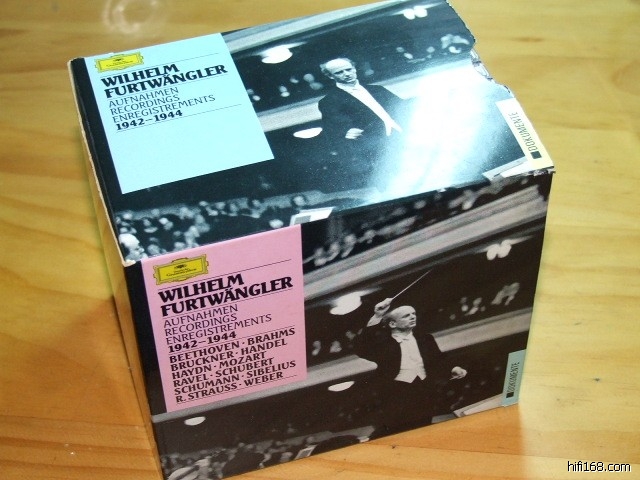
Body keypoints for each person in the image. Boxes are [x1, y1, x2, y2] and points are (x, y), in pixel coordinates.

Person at [354, 297, 467, 435]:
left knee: (423, 430)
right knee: (400, 432)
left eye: (413, 314)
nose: (413, 317)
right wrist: (377, 316)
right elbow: (361, 348)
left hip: (424, 392)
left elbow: (439, 359)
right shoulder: (383, 345)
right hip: (395, 395)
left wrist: (453, 368)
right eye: (406, 315)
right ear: (393, 324)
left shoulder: (426, 339)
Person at [317, 58, 410, 174]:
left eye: (348, 69)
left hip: (406, 136)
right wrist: (348, 131)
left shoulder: (378, 89)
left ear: (354, 69)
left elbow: (406, 109)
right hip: (378, 149)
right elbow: (338, 130)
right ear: (330, 76)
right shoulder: (329, 102)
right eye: (339, 72)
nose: (346, 74)